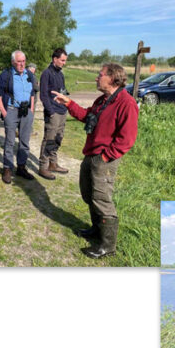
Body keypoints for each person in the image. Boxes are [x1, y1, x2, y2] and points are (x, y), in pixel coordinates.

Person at [51, 63, 139, 258]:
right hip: (91, 154)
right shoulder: (103, 100)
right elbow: (87, 115)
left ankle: (107, 246)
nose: (97, 78)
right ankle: (96, 230)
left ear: (112, 78)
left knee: (102, 199)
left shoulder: (126, 103)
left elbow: (127, 139)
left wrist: (105, 157)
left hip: (105, 159)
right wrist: (68, 103)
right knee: (89, 193)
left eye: (100, 75)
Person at [0, 50, 37, 184]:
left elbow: (33, 92)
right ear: (13, 62)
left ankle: (22, 168)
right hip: (11, 110)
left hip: (26, 112)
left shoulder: (29, 74)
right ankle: (7, 169)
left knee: (24, 141)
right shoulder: (5, 75)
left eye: (23, 61)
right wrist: (5, 113)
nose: (21, 64)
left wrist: (31, 109)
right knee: (10, 142)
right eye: (19, 61)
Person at [38, 48, 70, 180]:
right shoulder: (46, 73)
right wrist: (50, 112)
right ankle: (43, 167)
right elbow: (44, 95)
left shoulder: (60, 74)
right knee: (49, 138)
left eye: (65, 61)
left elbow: (62, 90)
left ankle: (53, 163)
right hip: (53, 112)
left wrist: (66, 99)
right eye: (62, 60)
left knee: (58, 138)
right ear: (55, 59)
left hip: (62, 110)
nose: (64, 63)